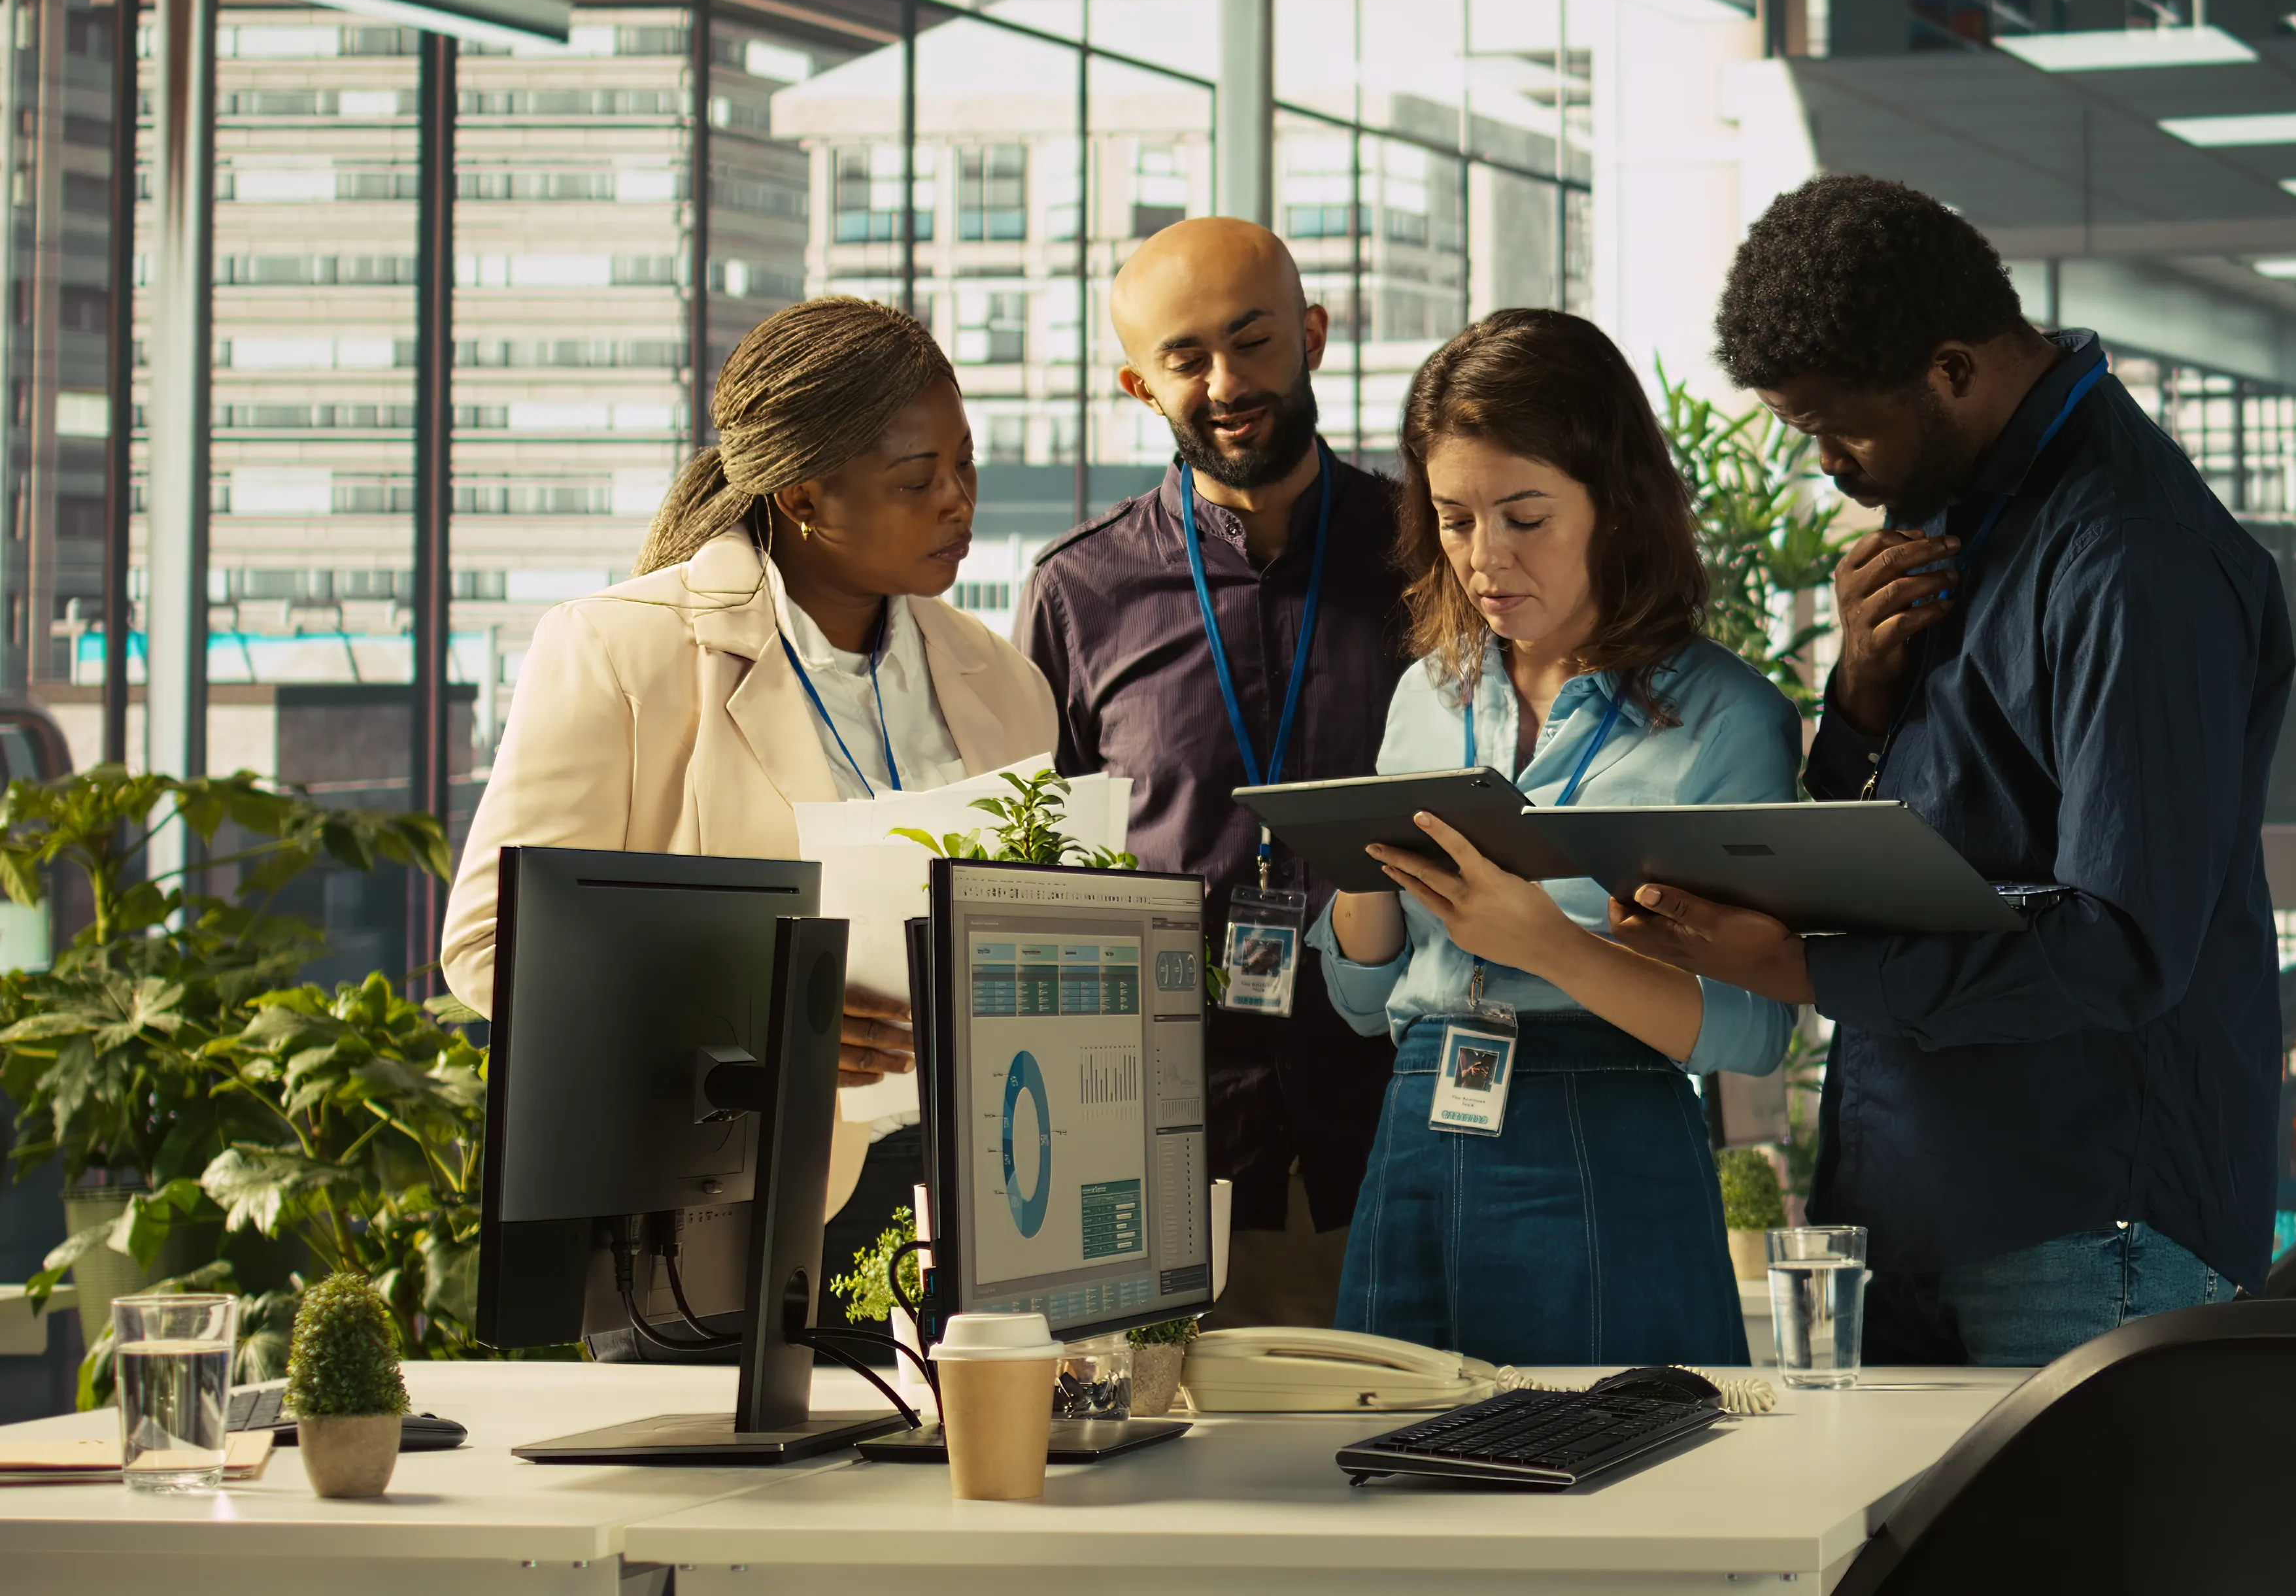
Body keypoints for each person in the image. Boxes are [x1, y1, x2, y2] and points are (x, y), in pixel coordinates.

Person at [1615, 175, 2293, 1367]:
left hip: (2088, 1229)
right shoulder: (1957, 519)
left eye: (1842, 426)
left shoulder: (2132, 560)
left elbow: (2123, 943)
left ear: (1950, 368)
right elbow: (1916, 854)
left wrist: (1798, 965)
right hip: (1913, 1201)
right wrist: (1860, 700)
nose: (1827, 464)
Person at [438, 295, 1060, 1314]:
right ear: (807, 495)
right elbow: (490, 948)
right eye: (918, 478)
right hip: (728, 1209)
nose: (959, 501)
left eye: (967, 465)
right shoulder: (620, 651)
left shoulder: (1004, 680)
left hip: (982, 1197)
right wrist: (772, 1021)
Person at [1309, 308, 1798, 1365]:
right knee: (1393, 1493)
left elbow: (1755, 1035)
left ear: (1615, 506)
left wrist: (1549, 946)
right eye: (1453, 519)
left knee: (1615, 1494)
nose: (1485, 559)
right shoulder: (1425, 695)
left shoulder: (1732, 719)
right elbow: (1359, 1006)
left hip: (1609, 1133)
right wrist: (1359, 876)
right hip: (1417, 1120)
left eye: (1525, 517)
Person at [1017, 218, 1409, 1330]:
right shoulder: (1076, 595)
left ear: (1315, 336)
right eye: (1187, 358)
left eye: (1254, 341)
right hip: (1163, 1147)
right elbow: (1045, 875)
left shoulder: (1430, 553)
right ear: (1142, 387)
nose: (1227, 382)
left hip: (1408, 1119)